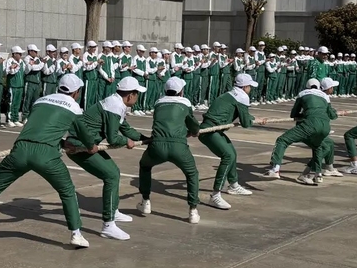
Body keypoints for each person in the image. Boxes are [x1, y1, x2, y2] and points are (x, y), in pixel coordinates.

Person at [0, 74, 99, 248]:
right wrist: (91, 147)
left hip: (20, 149)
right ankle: (76, 233)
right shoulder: (75, 108)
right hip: (46, 153)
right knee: (67, 191)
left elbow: (40, 127)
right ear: (76, 92)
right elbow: (84, 136)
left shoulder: (40, 100)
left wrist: (61, 142)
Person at [64, 76, 147, 241]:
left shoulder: (117, 103)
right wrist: (126, 142)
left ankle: (113, 212)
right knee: (111, 176)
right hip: (79, 146)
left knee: (114, 172)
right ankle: (108, 225)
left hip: (86, 144)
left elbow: (126, 129)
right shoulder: (114, 106)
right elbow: (113, 138)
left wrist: (147, 139)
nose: (137, 97)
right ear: (130, 95)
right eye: (137, 93)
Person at [136, 77, 201, 223]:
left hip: (156, 145)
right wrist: (194, 131)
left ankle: (145, 201)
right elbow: (193, 124)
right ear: (181, 92)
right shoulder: (185, 103)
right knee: (192, 173)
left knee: (145, 166)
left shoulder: (158, 102)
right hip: (178, 146)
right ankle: (193, 210)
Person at [198, 73, 260, 209]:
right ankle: (215, 195)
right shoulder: (243, 96)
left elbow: (244, 115)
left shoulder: (231, 93)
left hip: (213, 129)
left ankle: (233, 185)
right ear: (245, 87)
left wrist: (251, 118)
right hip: (210, 130)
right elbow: (245, 123)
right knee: (228, 156)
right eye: (249, 86)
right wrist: (251, 120)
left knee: (232, 153)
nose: (250, 89)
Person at [22, 44, 44, 121]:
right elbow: (33, 68)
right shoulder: (27, 59)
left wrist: (40, 63)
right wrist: (42, 63)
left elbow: (40, 68)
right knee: (27, 99)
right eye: (35, 51)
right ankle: (25, 116)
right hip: (30, 82)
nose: (36, 53)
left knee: (35, 100)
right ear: (30, 51)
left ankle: (32, 116)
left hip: (37, 82)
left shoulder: (37, 59)